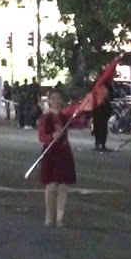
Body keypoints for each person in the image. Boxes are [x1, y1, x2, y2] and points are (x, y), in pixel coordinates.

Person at [38, 90, 77, 227]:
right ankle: (49, 216)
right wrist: (52, 136)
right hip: (50, 152)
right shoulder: (45, 118)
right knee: (51, 185)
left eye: (58, 98)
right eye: (53, 99)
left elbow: (78, 120)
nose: (55, 101)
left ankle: (60, 217)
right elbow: (42, 136)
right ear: (49, 101)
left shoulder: (65, 117)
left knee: (62, 185)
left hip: (63, 152)